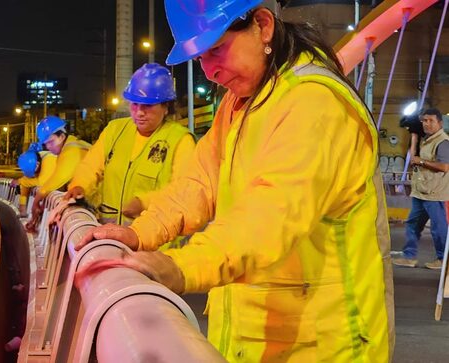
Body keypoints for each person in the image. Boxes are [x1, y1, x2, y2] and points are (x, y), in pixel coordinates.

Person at [75, 0, 393, 361]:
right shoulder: (241, 102)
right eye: (199, 60)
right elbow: (199, 183)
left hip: (323, 344)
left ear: (263, 25)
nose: (210, 72)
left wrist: (181, 265)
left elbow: (270, 216)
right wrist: (139, 234)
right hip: (252, 338)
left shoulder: (315, 104)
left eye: (216, 50)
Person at [64, 63, 195, 226]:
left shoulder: (180, 140)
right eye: (134, 104)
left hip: (155, 243)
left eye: (147, 105)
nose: (139, 112)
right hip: (111, 239)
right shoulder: (115, 130)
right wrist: (79, 186)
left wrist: (144, 203)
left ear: (166, 106)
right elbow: (91, 166)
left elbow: (183, 191)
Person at [392, 108, 449, 270]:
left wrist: (422, 162)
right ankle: (409, 257)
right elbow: (413, 160)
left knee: (439, 229)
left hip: (435, 194)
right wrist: (414, 136)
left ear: (439, 122)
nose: (427, 124)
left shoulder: (443, 142)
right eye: (424, 121)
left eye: (430, 121)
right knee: (412, 225)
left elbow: (444, 167)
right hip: (421, 192)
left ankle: (443, 259)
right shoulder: (426, 140)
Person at [27, 116, 91, 229]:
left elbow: (55, 181)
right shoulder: (71, 147)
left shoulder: (71, 151)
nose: (48, 147)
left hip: (102, 206)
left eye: (51, 142)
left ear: (62, 136)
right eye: (45, 144)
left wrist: (35, 202)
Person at [16, 143, 57, 217]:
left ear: (38, 164)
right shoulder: (30, 163)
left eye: (35, 173)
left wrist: (21, 181)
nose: (34, 176)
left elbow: (43, 182)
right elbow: (25, 185)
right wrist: (22, 209)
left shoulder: (50, 159)